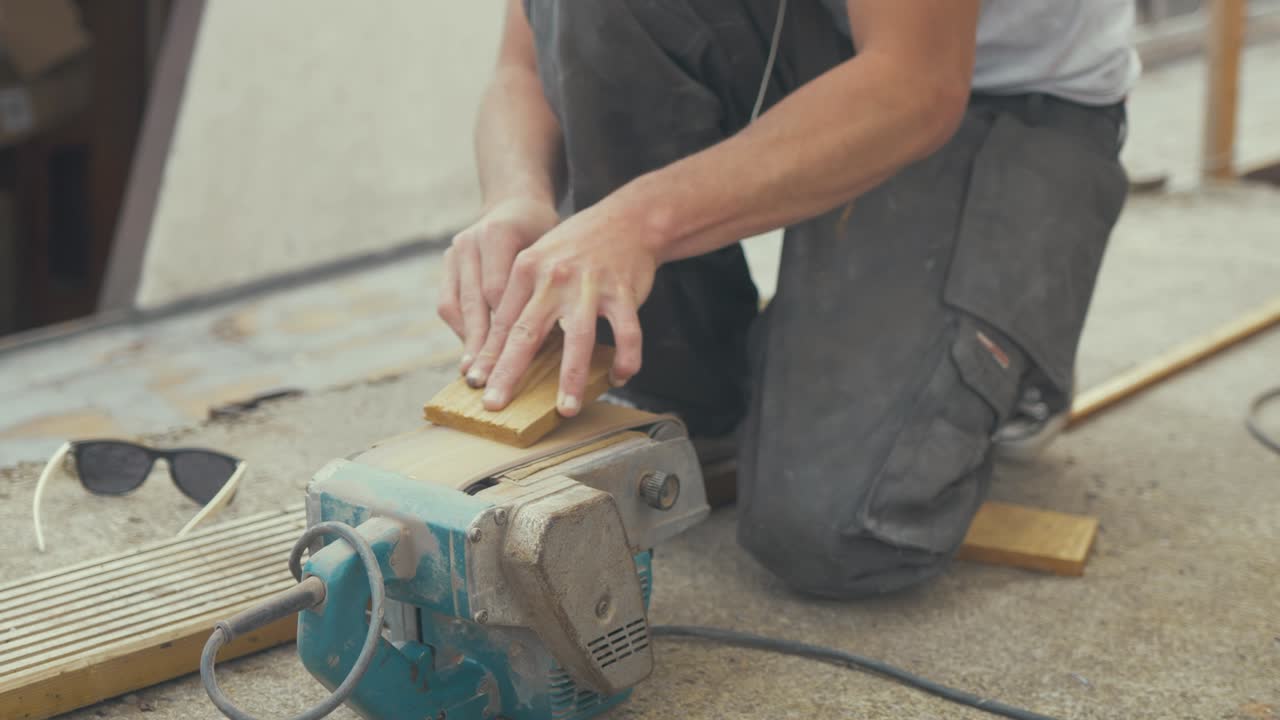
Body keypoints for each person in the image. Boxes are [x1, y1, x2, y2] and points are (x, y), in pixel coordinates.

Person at [437, 0, 1138, 597]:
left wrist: (638, 222)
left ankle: (1004, 345)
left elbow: (916, 84)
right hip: (816, 44)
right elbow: (524, 61)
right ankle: (695, 397)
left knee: (835, 526)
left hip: (994, 93)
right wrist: (517, 198)